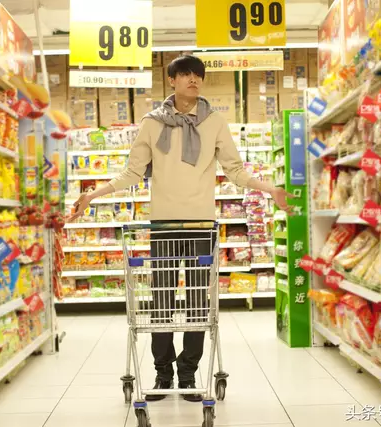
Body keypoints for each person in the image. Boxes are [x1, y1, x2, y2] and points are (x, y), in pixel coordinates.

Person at [70, 55, 292, 402]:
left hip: (201, 225)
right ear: (171, 80)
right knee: (160, 302)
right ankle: (163, 373)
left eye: (198, 75)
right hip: (164, 225)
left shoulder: (215, 122)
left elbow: (235, 170)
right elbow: (132, 172)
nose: (193, 79)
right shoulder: (152, 124)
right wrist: (93, 195)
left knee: (198, 303)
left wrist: (270, 189)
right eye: (185, 74)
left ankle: (188, 372)